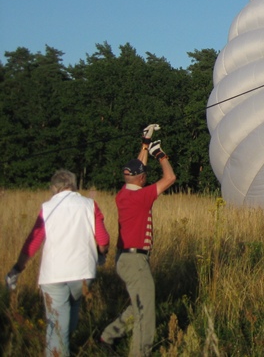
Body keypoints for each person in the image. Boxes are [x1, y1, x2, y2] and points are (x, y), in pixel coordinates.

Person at [5, 169, 110, 356]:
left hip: (54, 275)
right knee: (68, 322)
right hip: (83, 274)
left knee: (57, 328)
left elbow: (33, 242)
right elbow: (103, 239)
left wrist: (17, 268)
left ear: (54, 188)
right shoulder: (89, 204)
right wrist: (102, 255)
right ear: (74, 185)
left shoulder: (48, 208)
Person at [99, 124, 176, 356]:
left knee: (138, 303)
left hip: (123, 258)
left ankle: (108, 336)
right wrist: (160, 154)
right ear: (142, 179)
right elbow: (170, 177)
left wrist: (145, 143)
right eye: (145, 175)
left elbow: (138, 167)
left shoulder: (122, 194)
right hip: (136, 261)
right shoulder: (143, 197)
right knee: (145, 311)